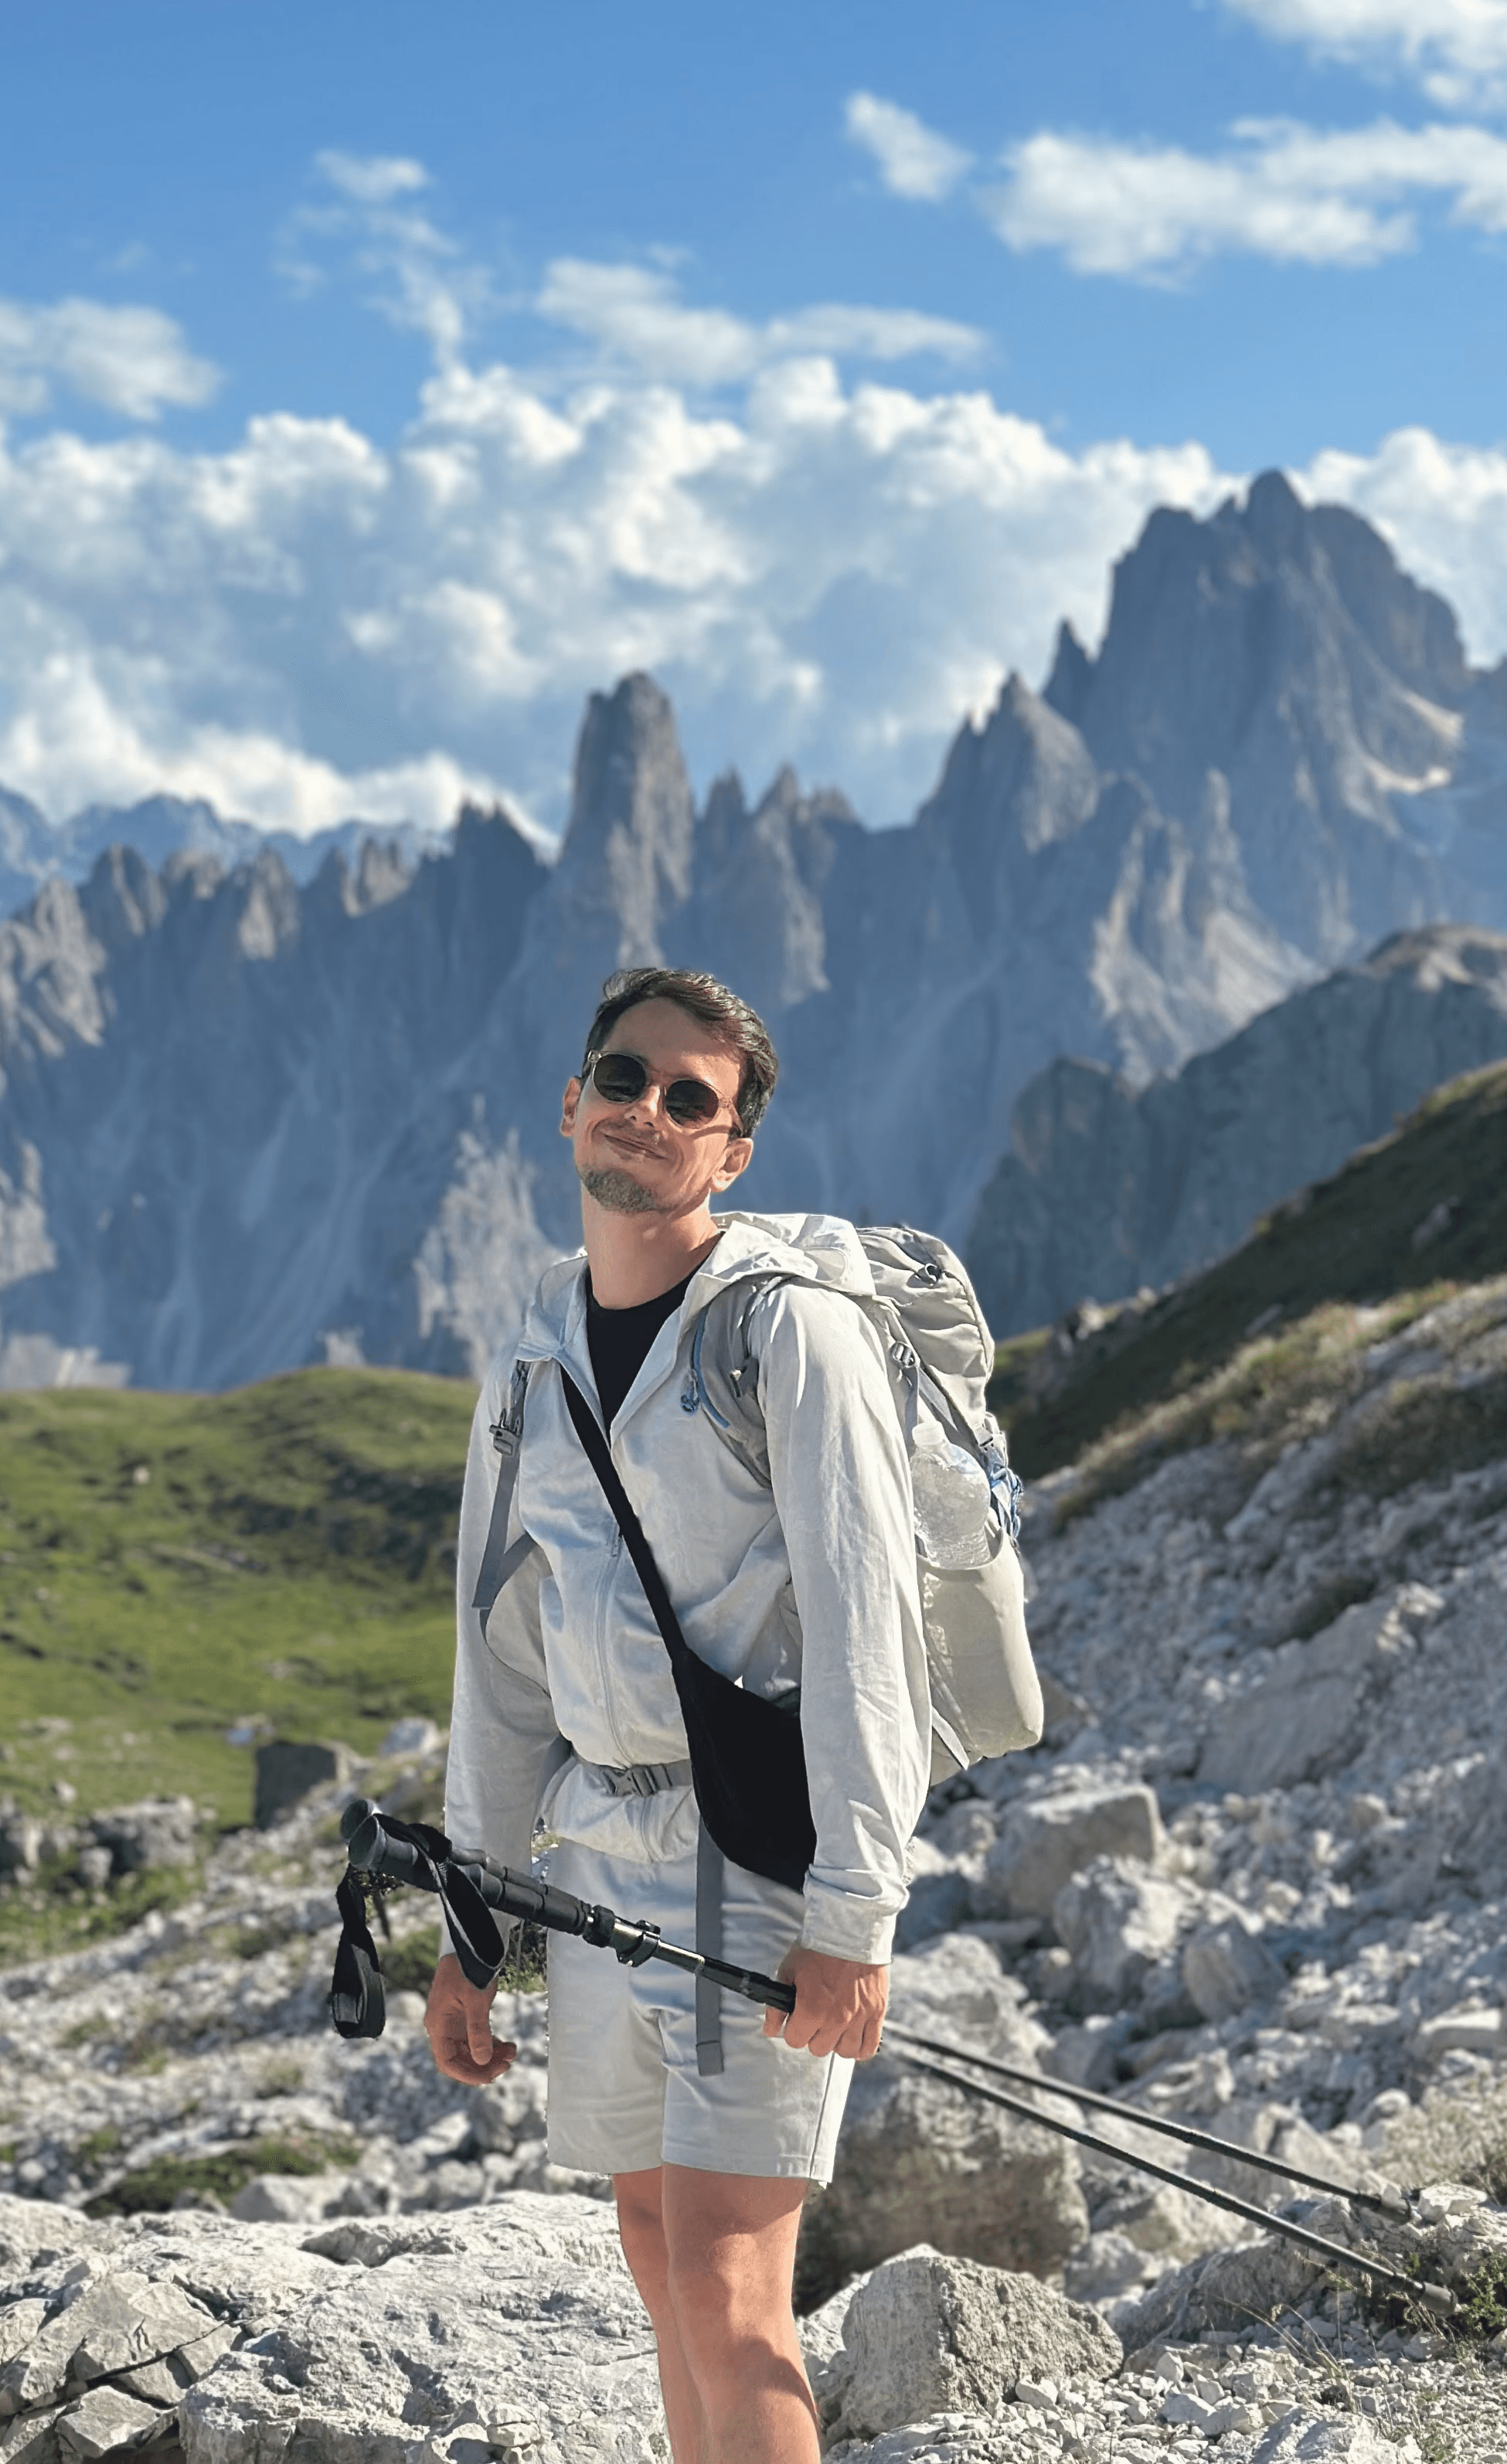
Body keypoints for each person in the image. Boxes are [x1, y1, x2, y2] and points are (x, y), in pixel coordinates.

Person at [427, 965, 929, 2464]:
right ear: (568, 1100)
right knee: (656, 2254)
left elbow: (864, 1629)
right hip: (591, 1857)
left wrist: (854, 1908)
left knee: (726, 2280)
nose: (645, 1110)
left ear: (731, 1153)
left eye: (688, 1098)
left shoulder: (786, 1332)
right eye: (621, 1076)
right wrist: (469, 1922)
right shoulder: (531, 1357)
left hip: (752, 1859)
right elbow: (498, 1655)